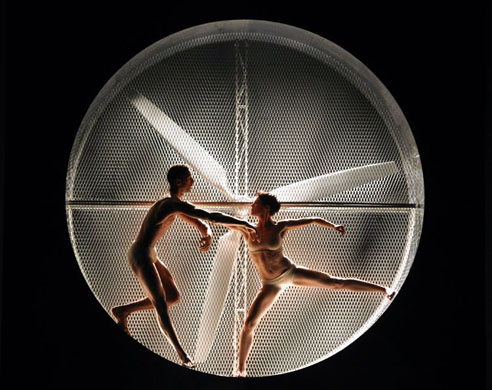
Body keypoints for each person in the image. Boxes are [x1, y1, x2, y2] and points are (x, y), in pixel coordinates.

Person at [225, 192, 395, 377]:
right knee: (249, 323)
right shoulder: (247, 230)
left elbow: (313, 220)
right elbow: (217, 219)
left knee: (335, 283)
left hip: (290, 273)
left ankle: (383, 289)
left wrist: (334, 226)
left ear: (266, 208)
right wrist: (195, 216)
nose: (251, 205)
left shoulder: (281, 227)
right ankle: (241, 370)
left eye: (255, 203)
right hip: (270, 285)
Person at [111, 164, 258, 368]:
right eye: (190, 178)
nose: (193, 181)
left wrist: (206, 233)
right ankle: (182, 356)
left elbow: (200, 221)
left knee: (173, 297)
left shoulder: (175, 204)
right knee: (161, 304)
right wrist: (246, 224)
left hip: (150, 252)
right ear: (179, 182)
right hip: (141, 254)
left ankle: (123, 310)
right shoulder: (170, 205)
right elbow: (210, 216)